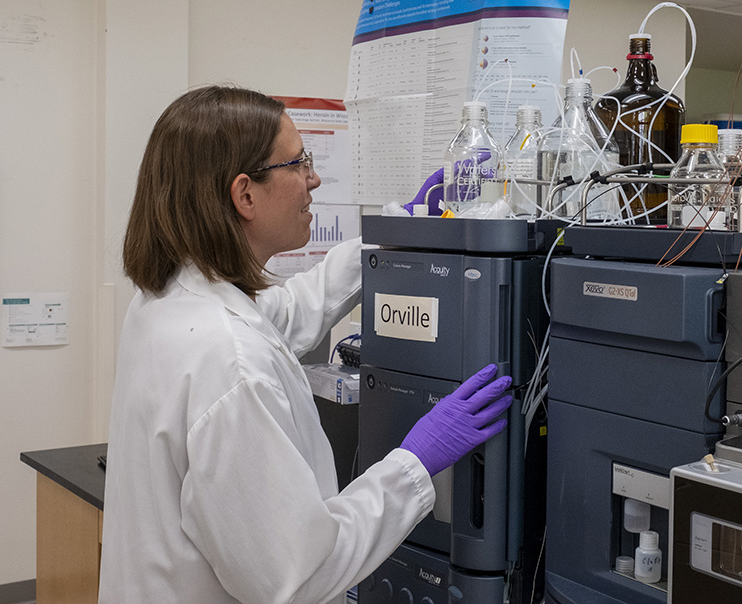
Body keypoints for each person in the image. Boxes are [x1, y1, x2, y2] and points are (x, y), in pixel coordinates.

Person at [98, 85, 513, 603]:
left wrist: (390, 235)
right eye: (299, 163)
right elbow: (300, 575)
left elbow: (288, 312)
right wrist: (414, 462)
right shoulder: (228, 362)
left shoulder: (168, 300)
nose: (314, 178)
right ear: (245, 194)